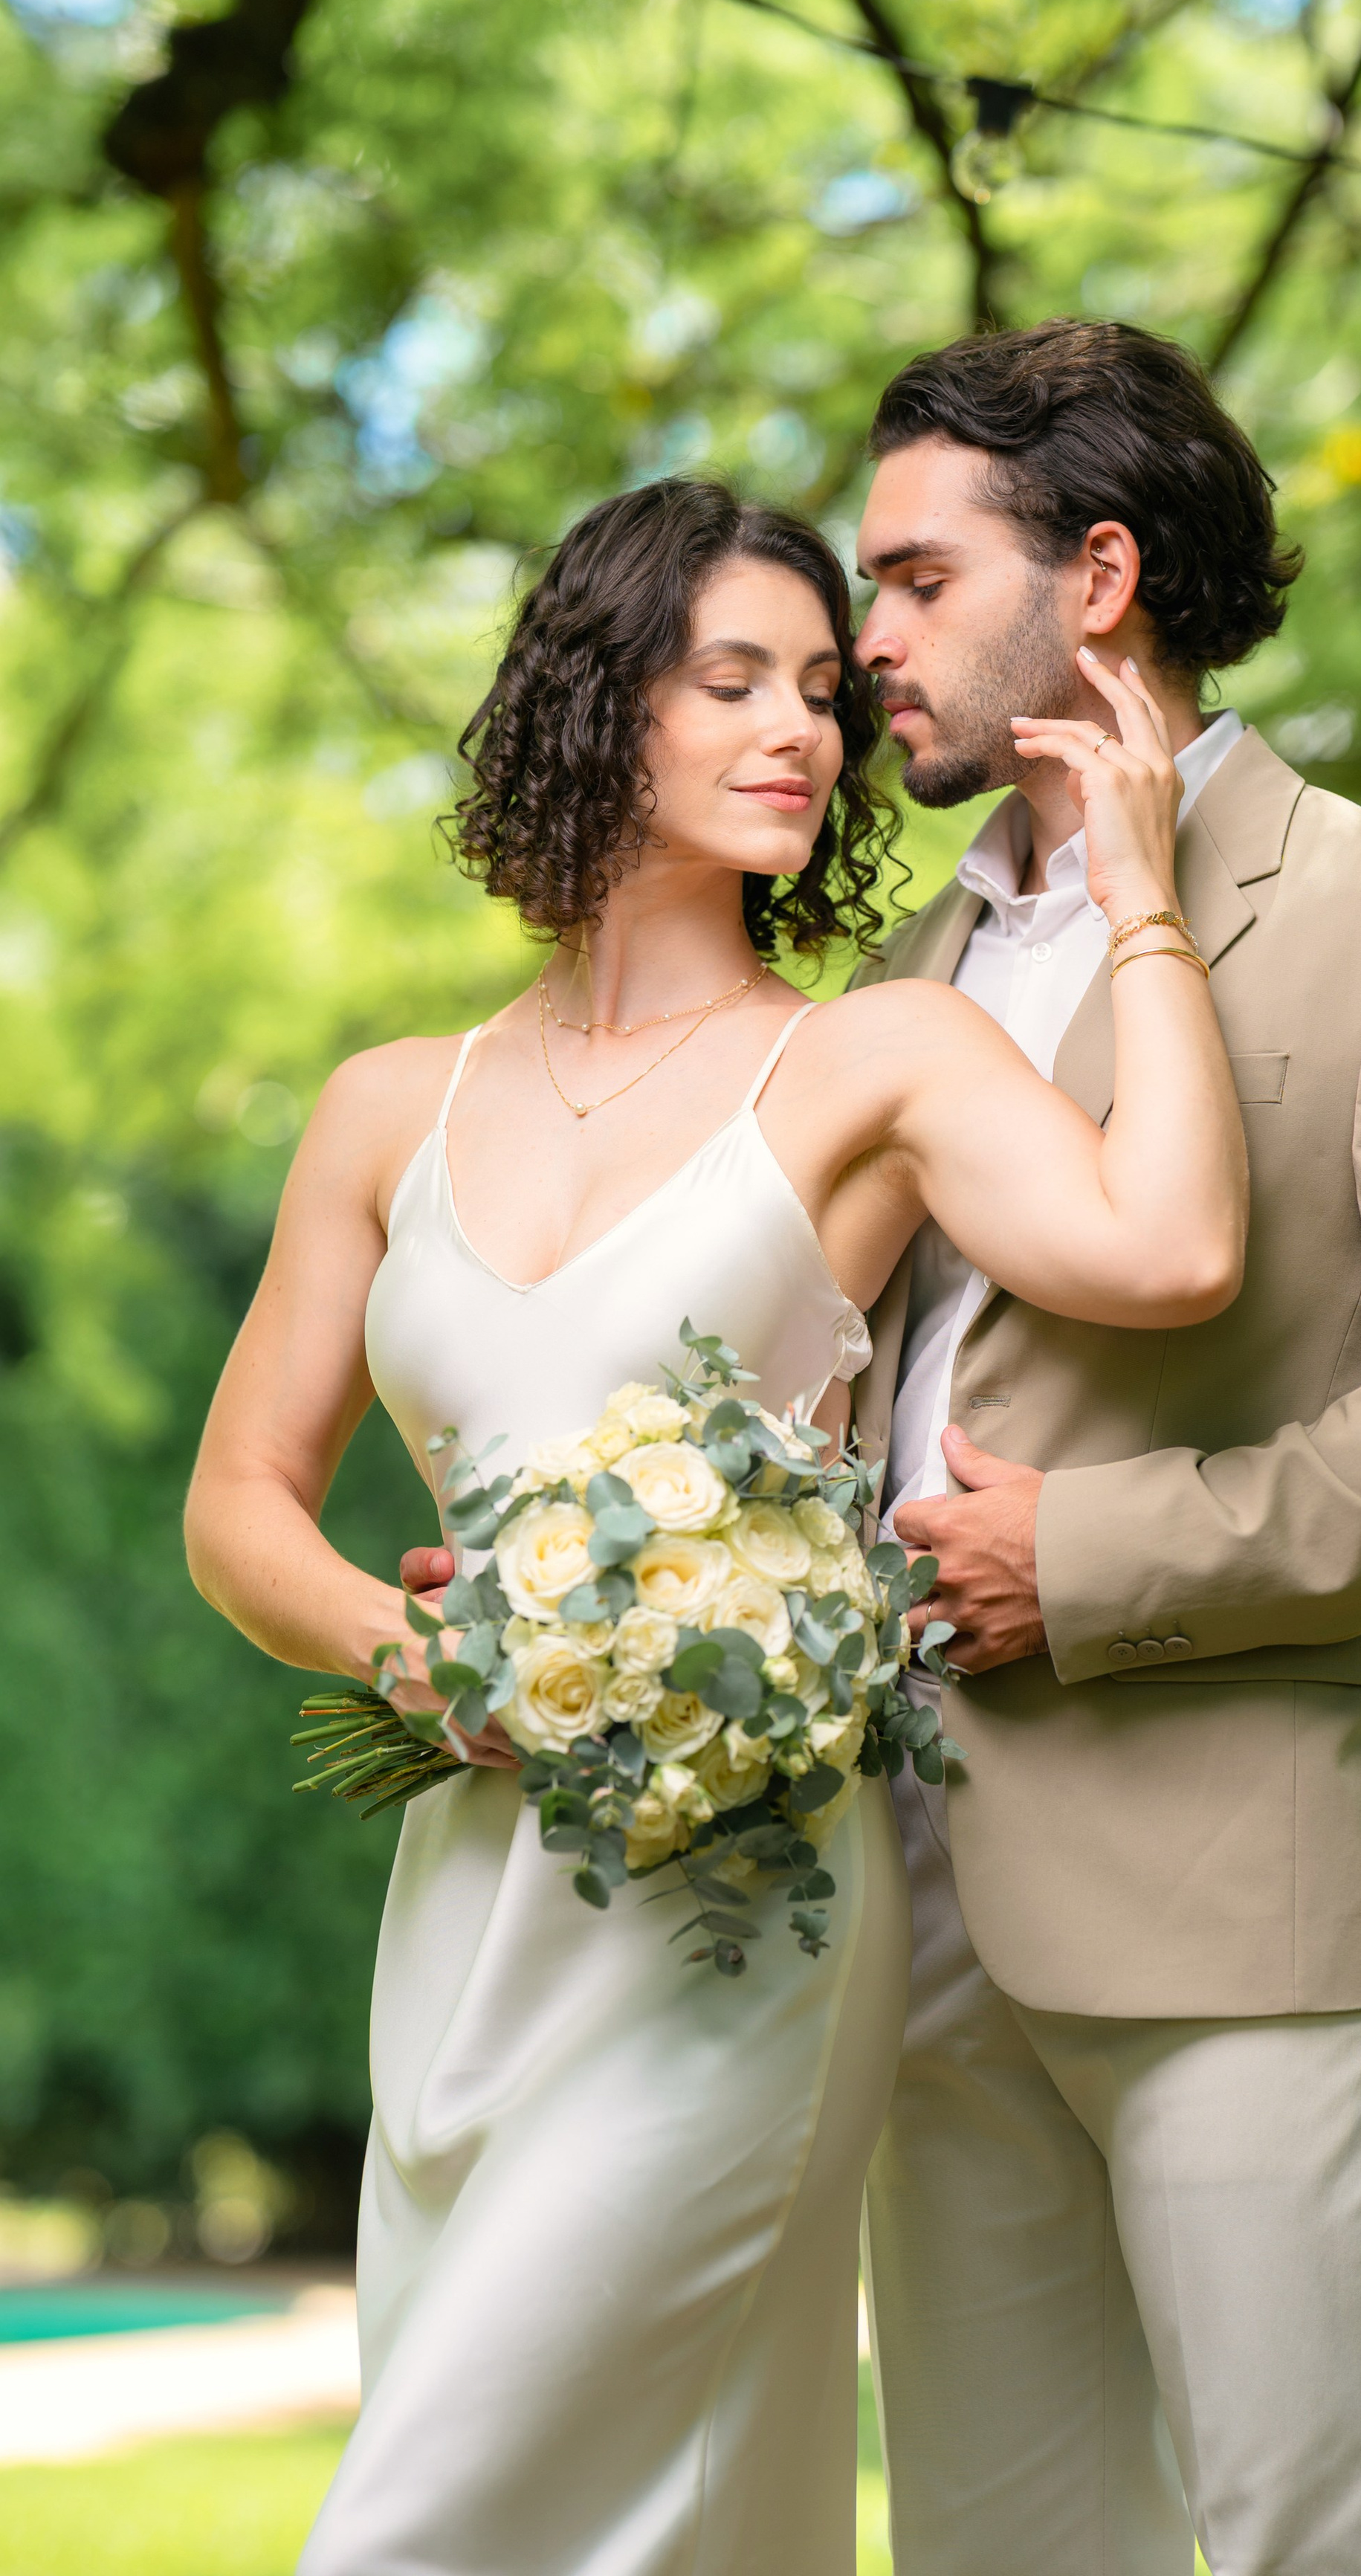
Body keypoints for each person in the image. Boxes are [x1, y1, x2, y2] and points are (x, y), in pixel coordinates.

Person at [183, 474, 1248, 2576]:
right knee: (636, 2507)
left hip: (732, 1907)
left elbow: (1178, 1244)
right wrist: (431, 1668)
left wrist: (1144, 903)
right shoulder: (387, 1104)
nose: (802, 731)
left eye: (823, 691)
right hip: (474, 1887)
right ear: (601, 708)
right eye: (729, 679)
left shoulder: (880, 1060)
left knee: (430, 2523)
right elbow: (241, 1504)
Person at [847, 320, 1361, 2576]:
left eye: (914, 579)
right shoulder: (907, 961)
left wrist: (1095, 1557)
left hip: (1266, 1897)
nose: (864, 639)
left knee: (1335, 2544)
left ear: (1094, 576)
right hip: (913, 1911)